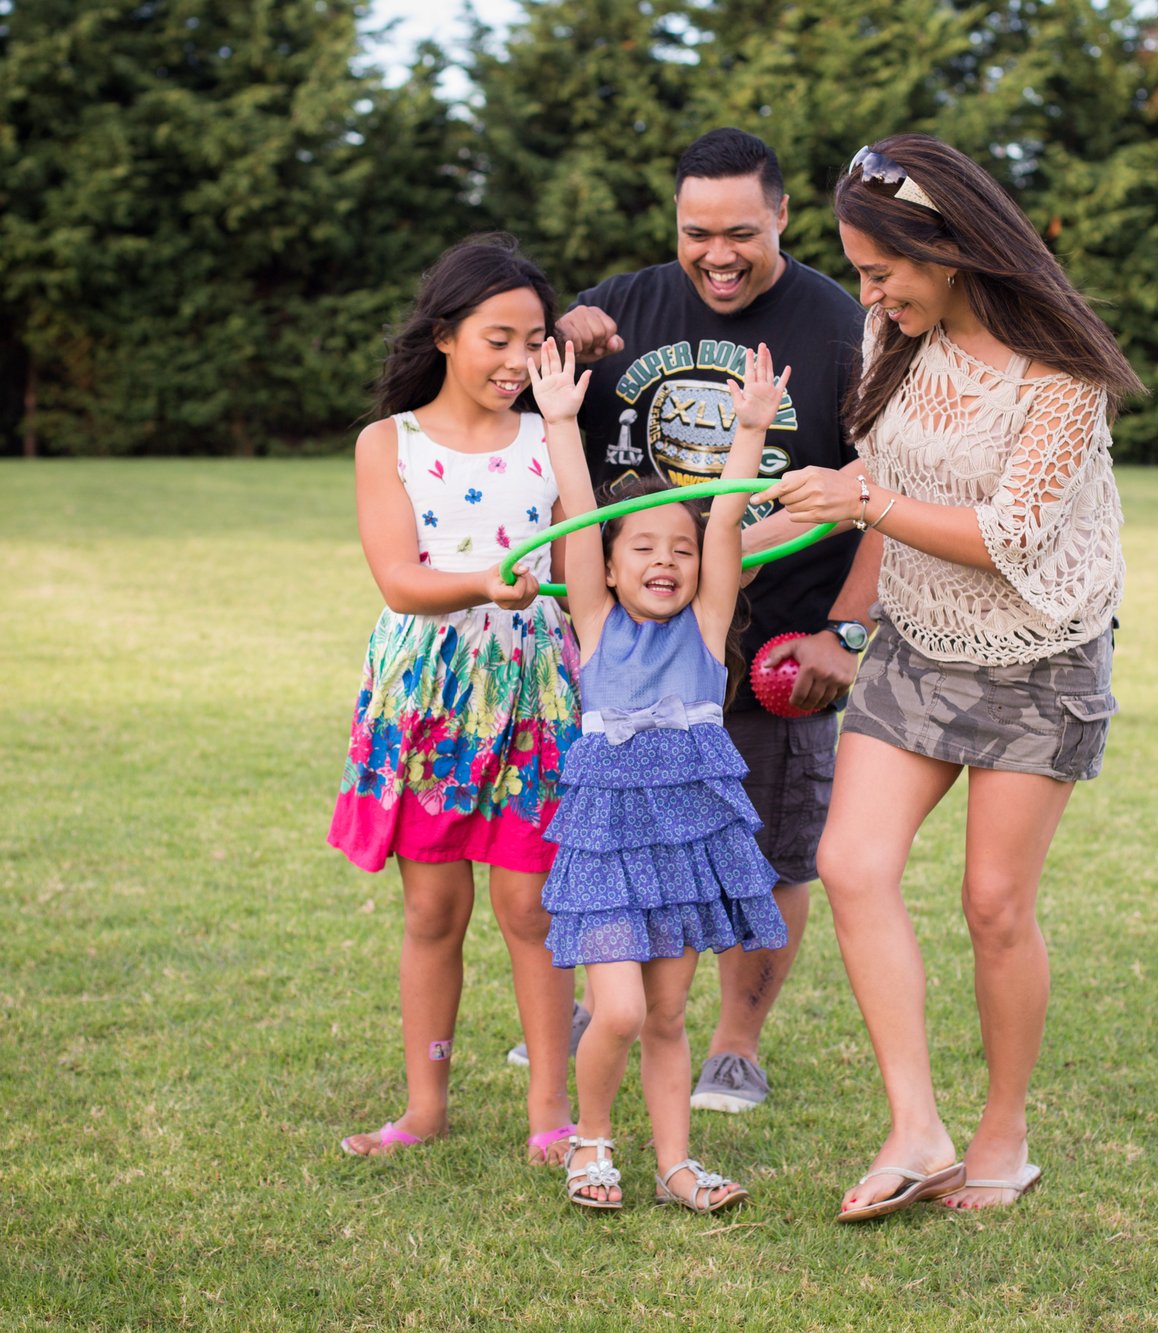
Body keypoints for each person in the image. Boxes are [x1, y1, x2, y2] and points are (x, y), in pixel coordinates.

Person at [759, 134, 1144, 1219]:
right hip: (919, 638)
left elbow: (1010, 534)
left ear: (950, 247)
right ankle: (915, 1128)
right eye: (859, 274)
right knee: (850, 862)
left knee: (994, 905)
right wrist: (775, 541)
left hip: (1041, 651)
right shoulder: (895, 330)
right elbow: (882, 472)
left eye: (882, 271)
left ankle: (1001, 1136)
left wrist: (864, 503)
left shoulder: (1062, 370)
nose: (867, 295)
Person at [519, 127, 877, 1116]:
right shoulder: (619, 307)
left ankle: (734, 1044)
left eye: (740, 233)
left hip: (773, 643)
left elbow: (884, 486)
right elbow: (531, 415)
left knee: (768, 848)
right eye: (696, 232)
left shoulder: (839, 327)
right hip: (621, 650)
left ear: (782, 217)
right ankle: (608, 1006)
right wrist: (557, 335)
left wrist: (844, 634)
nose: (717, 254)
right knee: (617, 835)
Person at [327, 235, 582, 1165]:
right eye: (497, 339)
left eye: (534, 342)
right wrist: (485, 583)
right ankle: (424, 1106)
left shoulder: (551, 437)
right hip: (431, 693)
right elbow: (399, 580)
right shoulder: (386, 442)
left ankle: (551, 1114)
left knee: (533, 908)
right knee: (434, 908)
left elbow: (583, 567)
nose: (518, 362)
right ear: (444, 334)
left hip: (534, 690)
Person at [528, 337, 791, 1212]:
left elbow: (726, 520)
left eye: (679, 548)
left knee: (669, 1013)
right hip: (608, 845)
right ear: (606, 567)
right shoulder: (596, 623)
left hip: (682, 847)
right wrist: (561, 423)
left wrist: (749, 431)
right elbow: (578, 511)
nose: (665, 561)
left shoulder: (706, 628)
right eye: (642, 546)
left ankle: (676, 1163)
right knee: (620, 1012)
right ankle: (591, 1142)